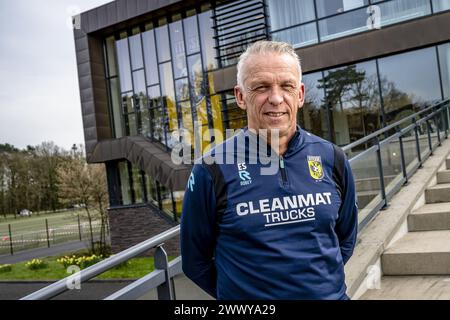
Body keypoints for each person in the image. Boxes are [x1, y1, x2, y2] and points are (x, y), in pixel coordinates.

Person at [180, 40, 358, 300]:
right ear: (240, 96)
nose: (276, 98)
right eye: (261, 87)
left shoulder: (333, 158)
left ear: (300, 94)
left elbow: (346, 240)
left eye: (286, 86)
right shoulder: (211, 169)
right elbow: (195, 262)